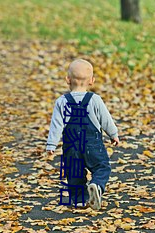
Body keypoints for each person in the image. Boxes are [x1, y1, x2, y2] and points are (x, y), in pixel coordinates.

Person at [46, 59, 119, 210]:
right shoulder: (95, 100)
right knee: (102, 167)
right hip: (92, 144)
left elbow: (56, 125)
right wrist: (113, 134)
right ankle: (97, 185)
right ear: (92, 81)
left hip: (71, 145)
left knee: (74, 173)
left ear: (67, 79)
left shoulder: (62, 102)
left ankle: (79, 200)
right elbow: (105, 119)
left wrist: (51, 144)